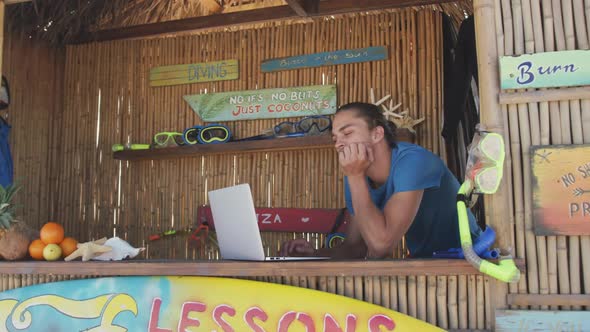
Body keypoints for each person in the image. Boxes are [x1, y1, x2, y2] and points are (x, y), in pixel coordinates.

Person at [280, 102, 481, 259]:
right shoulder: (357, 175)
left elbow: (381, 245)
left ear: (377, 133)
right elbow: (355, 247)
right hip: (426, 263)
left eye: (347, 133)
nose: (339, 144)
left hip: (471, 260)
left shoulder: (413, 161)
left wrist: (355, 176)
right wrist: (313, 255)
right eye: (335, 139)